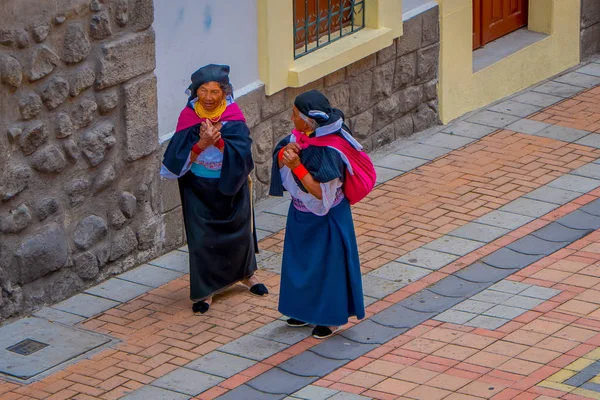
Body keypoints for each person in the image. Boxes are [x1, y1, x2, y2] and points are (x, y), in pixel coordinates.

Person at [161, 64, 268, 315]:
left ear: (224, 92)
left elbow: (243, 155)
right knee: (202, 241)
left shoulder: (233, 116)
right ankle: (205, 290)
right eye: (202, 91)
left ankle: (247, 275)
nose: (208, 98)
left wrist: (218, 142)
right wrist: (202, 143)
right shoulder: (188, 117)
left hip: (231, 186)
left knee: (240, 233)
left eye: (214, 92)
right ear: (195, 92)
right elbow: (176, 160)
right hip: (199, 189)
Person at [269, 90, 365, 339]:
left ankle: (331, 318)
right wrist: (284, 154)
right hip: (301, 213)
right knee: (299, 264)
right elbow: (281, 157)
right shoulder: (300, 137)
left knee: (328, 268)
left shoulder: (330, 148)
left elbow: (322, 192)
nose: (291, 118)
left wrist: (296, 166)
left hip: (328, 219)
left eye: (294, 114)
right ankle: (301, 310)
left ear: (308, 120)